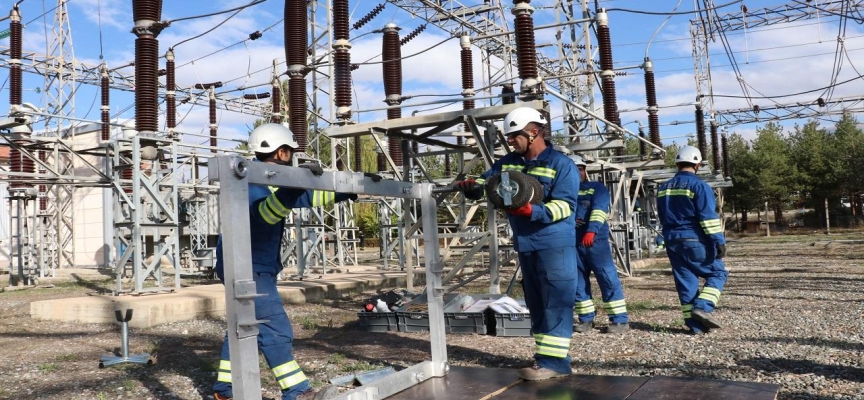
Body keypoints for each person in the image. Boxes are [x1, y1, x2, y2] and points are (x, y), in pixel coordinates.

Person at [213, 123, 356, 400]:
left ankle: (225, 390)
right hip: (248, 267)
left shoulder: (267, 178)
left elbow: (303, 196)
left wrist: (341, 191)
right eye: (290, 151)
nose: (292, 156)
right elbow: (267, 213)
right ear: (280, 153)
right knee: (276, 328)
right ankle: (297, 391)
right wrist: (294, 186)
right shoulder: (252, 180)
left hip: (251, 264)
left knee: (243, 326)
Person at [455, 107, 579, 381]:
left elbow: (566, 207)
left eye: (515, 136)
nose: (511, 141)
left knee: (555, 301)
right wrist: (472, 186)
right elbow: (489, 182)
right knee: (536, 303)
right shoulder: (509, 162)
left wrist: (532, 212)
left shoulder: (561, 165)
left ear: (534, 132)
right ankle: (545, 359)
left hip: (554, 244)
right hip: (526, 243)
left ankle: (556, 363)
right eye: (509, 137)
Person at [656, 145, 727, 335]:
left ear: (677, 164)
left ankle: (695, 326)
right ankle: (703, 307)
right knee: (717, 273)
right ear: (697, 164)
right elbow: (707, 216)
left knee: (686, 281)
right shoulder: (699, 186)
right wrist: (718, 240)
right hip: (694, 239)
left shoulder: (663, 188)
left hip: (672, 241)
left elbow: (662, 216)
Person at [568, 155, 629, 334]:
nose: (578, 172)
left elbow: (599, 209)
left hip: (595, 243)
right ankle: (585, 319)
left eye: (580, 169)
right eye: (574, 169)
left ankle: (619, 321)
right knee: (578, 283)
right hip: (572, 243)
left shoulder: (597, 188)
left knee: (607, 278)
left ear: (585, 170)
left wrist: (591, 230)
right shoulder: (563, 192)